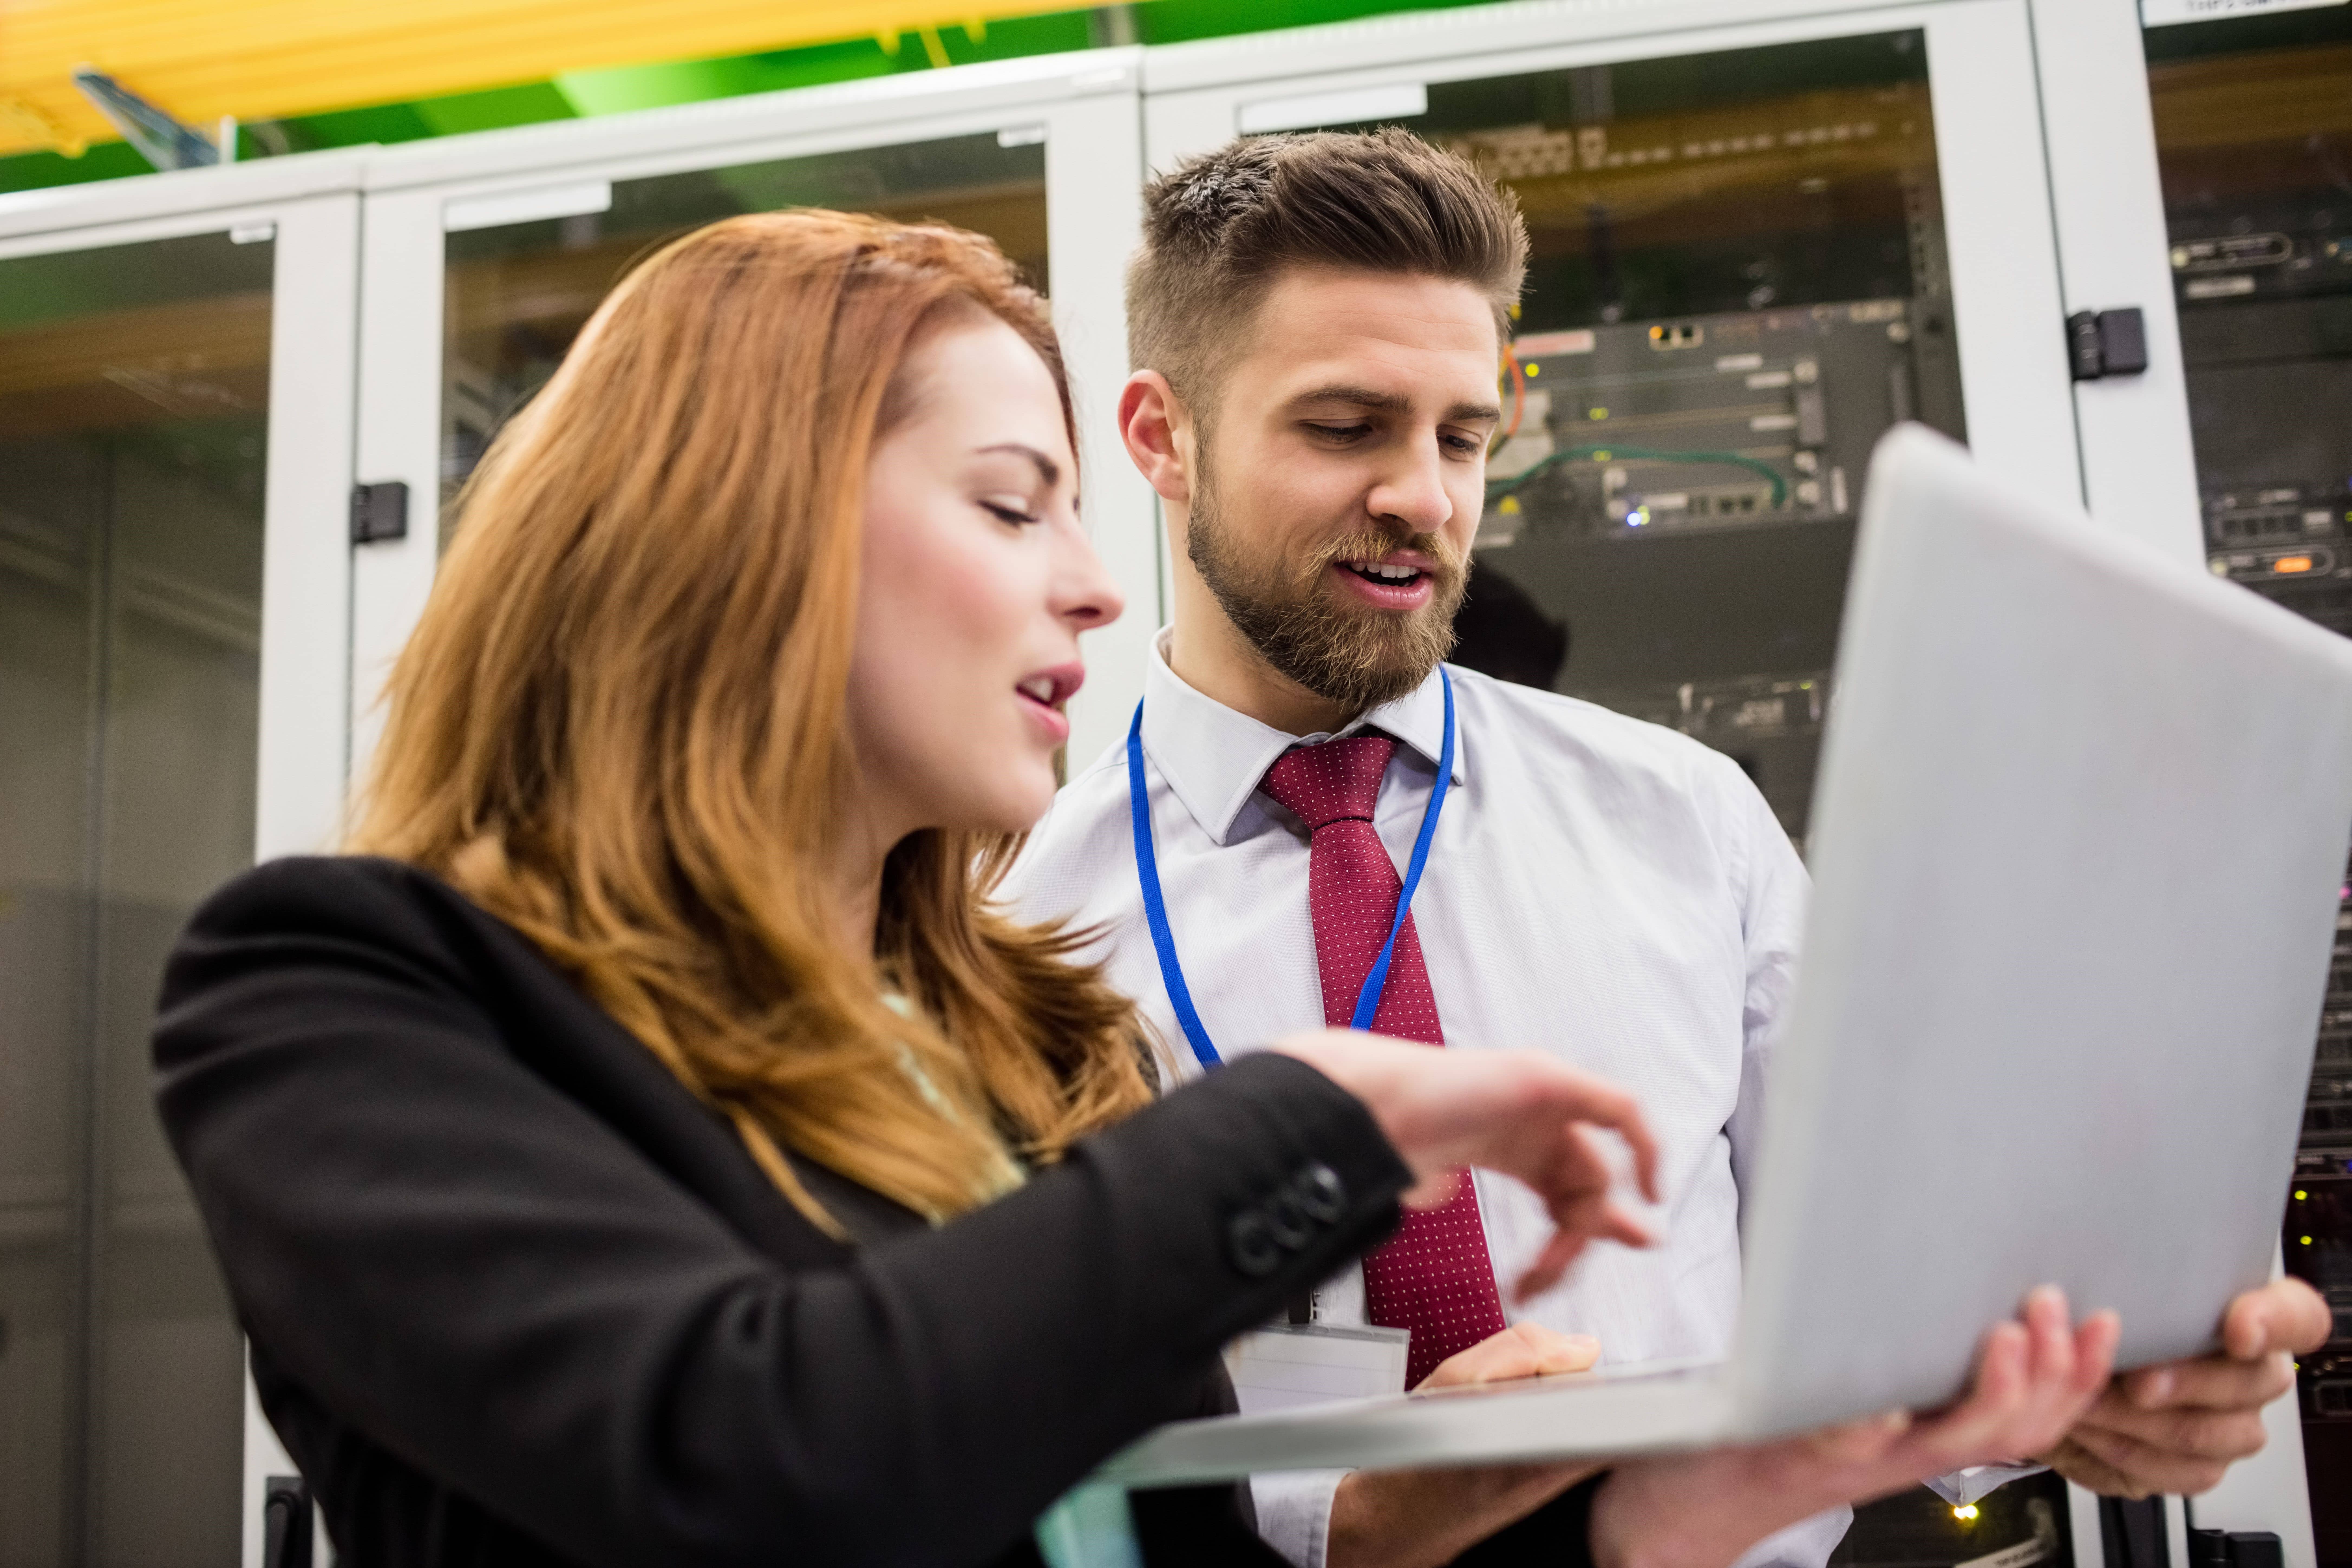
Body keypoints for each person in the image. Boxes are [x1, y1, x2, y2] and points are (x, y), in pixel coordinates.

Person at [149, 210, 2112, 1568]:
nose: (1094, 581)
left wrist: (1677, 1504)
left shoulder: (994, 1049)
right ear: (721, 533)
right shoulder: (341, 989)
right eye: (1015, 505)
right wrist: (1318, 1117)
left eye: (1465, 437)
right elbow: (753, 1464)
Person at [997, 129, 2335, 1568]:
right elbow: (1031, 1468)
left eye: (1460, 436)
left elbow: (1897, 1288)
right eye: (1345, 428)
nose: (1428, 502)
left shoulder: (1683, 821)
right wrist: (1349, 1524)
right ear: (1159, 435)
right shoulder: (1022, 935)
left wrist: (2079, 1389)